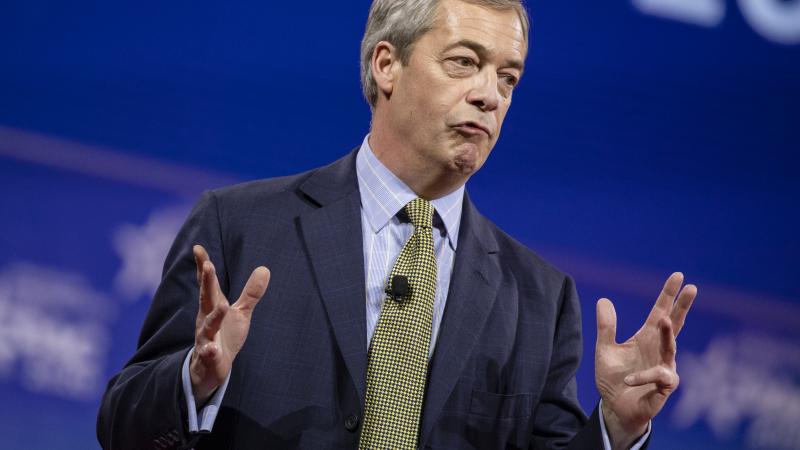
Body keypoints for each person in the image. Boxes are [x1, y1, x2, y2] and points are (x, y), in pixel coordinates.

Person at [97, 0, 697, 449]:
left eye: (508, 78)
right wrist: (192, 383)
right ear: (388, 64)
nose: (490, 95)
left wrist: (615, 428)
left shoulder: (540, 299)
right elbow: (121, 425)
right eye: (465, 63)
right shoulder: (241, 225)